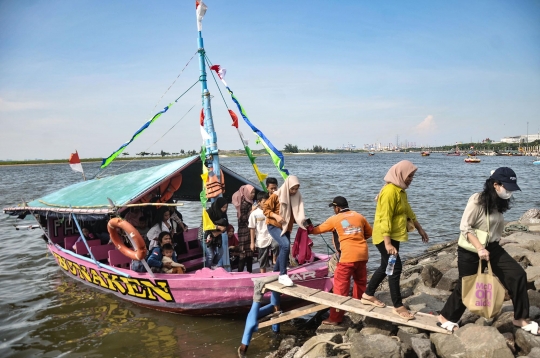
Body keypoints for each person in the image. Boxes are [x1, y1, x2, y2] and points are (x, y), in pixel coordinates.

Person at [438, 167, 537, 334]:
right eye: (507, 188)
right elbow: (465, 227)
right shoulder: (477, 200)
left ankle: (520, 318)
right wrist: (479, 248)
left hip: (492, 247)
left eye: (511, 189)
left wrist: (495, 240)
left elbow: (493, 226)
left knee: (517, 274)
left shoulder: (499, 201)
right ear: (495, 185)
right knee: (467, 284)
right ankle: (445, 318)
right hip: (471, 249)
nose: (509, 192)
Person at [362, 160, 429, 320]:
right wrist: (387, 243)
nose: (411, 179)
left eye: (412, 176)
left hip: (393, 236)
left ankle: (368, 294)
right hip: (384, 237)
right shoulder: (390, 192)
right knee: (395, 268)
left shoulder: (400, 191)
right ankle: (398, 306)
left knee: (386, 266)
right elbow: (384, 218)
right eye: (409, 176)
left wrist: (420, 228)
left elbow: (408, 211)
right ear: (400, 174)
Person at [309, 196, 372, 325]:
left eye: (333, 208)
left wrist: (307, 227)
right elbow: (369, 233)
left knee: (340, 287)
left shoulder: (335, 219)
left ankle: (335, 318)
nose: (334, 210)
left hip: (347, 257)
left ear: (337, 208)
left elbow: (316, 230)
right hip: (362, 255)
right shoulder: (359, 216)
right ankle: (358, 307)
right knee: (360, 282)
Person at [263, 175, 307, 287]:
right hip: (273, 225)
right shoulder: (276, 195)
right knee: (286, 245)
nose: (294, 191)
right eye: (292, 188)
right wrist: (276, 216)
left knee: (285, 248)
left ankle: (276, 272)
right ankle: (283, 274)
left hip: (286, 226)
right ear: (287, 186)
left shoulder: (297, 196)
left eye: (296, 189)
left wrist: (305, 224)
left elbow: (297, 214)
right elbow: (265, 209)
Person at [233, 184, 256, 273]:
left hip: (249, 231)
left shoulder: (250, 202)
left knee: (250, 254)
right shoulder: (243, 204)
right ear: (246, 192)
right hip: (244, 232)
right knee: (243, 254)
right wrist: (251, 211)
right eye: (251, 192)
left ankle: (249, 272)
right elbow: (242, 218)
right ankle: (240, 272)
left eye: (254, 192)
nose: (253, 194)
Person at [249, 192, 273, 273]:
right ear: (259, 202)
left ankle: (276, 264)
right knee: (263, 259)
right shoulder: (254, 214)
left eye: (267, 202)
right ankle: (263, 274)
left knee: (277, 246)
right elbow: (252, 228)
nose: (266, 204)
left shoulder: (271, 211)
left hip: (272, 236)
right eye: (264, 202)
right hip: (261, 238)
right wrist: (252, 243)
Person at [204, 197, 229, 268]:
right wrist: (218, 227)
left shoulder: (223, 214)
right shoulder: (208, 212)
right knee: (210, 255)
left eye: (226, 207)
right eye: (223, 207)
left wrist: (219, 232)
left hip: (217, 236)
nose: (224, 209)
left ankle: (213, 266)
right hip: (206, 236)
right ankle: (207, 269)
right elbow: (207, 225)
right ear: (218, 206)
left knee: (220, 252)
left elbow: (226, 226)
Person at [265, 177, 280, 265]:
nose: (274, 190)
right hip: (266, 225)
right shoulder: (264, 198)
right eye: (271, 188)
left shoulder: (280, 197)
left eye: (275, 188)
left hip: (277, 225)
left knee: (277, 245)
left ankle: (275, 261)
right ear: (267, 188)